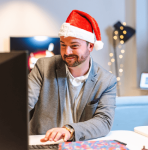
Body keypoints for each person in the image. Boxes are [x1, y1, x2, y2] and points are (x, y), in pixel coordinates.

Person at [28, 10, 117, 142]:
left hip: (80, 143)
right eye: (63, 45)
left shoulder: (106, 80)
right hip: (43, 141)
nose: (67, 52)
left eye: (74, 46)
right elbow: (25, 102)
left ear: (90, 46)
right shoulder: (43, 67)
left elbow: (104, 122)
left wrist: (69, 130)